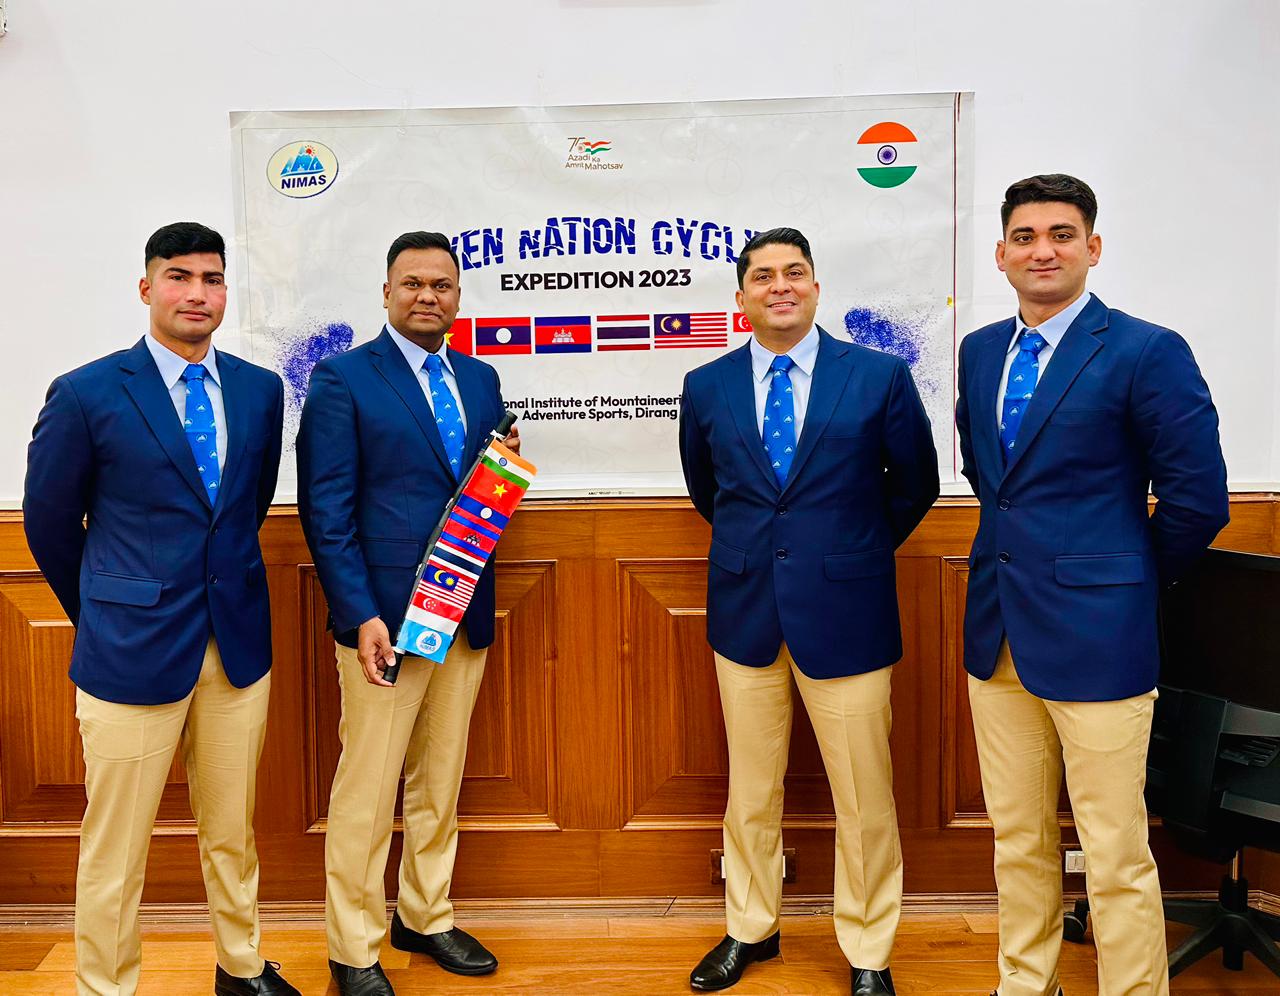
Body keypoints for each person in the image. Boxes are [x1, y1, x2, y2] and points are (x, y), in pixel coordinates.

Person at [954, 174, 1229, 996]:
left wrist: (1124, 581)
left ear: (1093, 248)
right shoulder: (979, 352)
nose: (1043, 250)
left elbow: (1197, 501)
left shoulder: (1147, 350)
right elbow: (992, 480)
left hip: (1102, 636)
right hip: (999, 631)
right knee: (1018, 836)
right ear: (1001, 254)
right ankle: (1026, 981)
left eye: (1062, 235)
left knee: (1113, 849)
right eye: (1026, 236)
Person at [23, 222, 294, 996]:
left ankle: (242, 967)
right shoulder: (86, 393)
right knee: (117, 847)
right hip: (129, 651)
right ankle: (106, 986)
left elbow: (242, 510)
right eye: (179, 276)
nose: (196, 293)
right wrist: (106, 613)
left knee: (232, 831)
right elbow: (49, 522)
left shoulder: (259, 391)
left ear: (225, 292)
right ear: (147, 288)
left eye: (211, 278)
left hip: (235, 648)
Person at [678, 228, 939, 995]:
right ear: (742, 298)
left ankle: (868, 950)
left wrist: (848, 550)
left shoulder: (879, 376)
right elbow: (709, 491)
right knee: (750, 791)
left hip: (848, 613)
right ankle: (750, 928)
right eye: (763, 276)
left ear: (817, 287)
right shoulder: (707, 385)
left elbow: (914, 484)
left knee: (865, 795)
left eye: (794, 272)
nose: (780, 286)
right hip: (746, 614)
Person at [297, 230, 520, 996]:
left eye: (442, 285)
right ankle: (353, 949)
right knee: (368, 789)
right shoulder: (342, 379)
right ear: (387, 292)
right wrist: (358, 612)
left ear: (458, 296)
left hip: (462, 610)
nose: (428, 295)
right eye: (413, 283)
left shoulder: (482, 379)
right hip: (383, 625)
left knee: (439, 779)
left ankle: (425, 916)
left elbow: (481, 489)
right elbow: (326, 510)